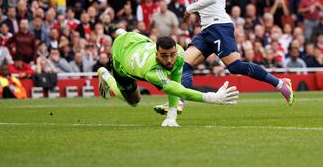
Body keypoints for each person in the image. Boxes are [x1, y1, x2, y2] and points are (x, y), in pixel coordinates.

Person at [154, 0, 293, 115]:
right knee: (183, 63)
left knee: (235, 67)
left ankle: (281, 83)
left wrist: (190, 8)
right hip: (207, 29)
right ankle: (178, 103)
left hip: (218, 26)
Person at [97, 30, 239, 127]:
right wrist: (213, 98)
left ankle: (122, 32)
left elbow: (176, 80)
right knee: (134, 101)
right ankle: (105, 74)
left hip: (137, 39)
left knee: (125, 34)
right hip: (122, 55)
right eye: (164, 56)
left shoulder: (180, 53)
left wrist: (171, 116)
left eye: (172, 54)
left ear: (176, 50)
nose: (170, 60)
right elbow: (179, 90)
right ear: (156, 54)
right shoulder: (151, 71)